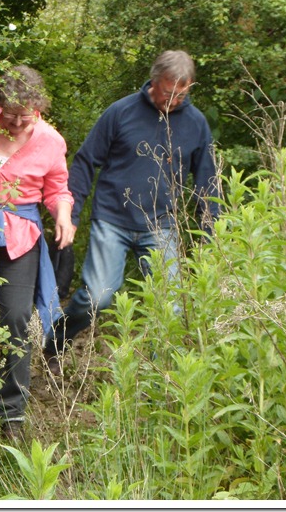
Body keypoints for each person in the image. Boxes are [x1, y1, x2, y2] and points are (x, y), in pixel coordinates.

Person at [42, 50, 220, 376]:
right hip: (112, 218)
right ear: (154, 82)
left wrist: (210, 237)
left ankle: (160, 377)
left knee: (171, 305)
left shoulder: (196, 124)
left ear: (191, 86)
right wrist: (72, 214)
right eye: (168, 93)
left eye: (182, 94)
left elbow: (208, 183)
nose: (173, 101)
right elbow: (85, 161)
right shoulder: (121, 112)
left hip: (162, 223)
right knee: (98, 297)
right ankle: (55, 341)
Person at [0, 65, 75, 441]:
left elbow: (57, 189)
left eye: (27, 116)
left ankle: (12, 417)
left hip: (21, 232)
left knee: (17, 317)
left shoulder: (51, 141)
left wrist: (64, 218)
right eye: (11, 116)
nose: (19, 123)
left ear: (38, 109)